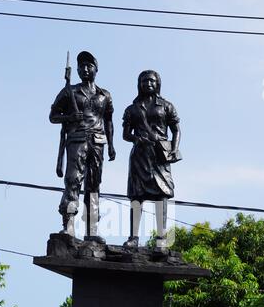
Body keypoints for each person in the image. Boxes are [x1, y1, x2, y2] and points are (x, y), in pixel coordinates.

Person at [49, 51, 116, 244]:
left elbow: (109, 122)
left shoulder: (105, 95)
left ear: (96, 69)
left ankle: (91, 229)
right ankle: (68, 225)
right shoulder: (69, 92)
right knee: (73, 181)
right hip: (77, 139)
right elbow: (52, 116)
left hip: (97, 142)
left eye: (89, 66)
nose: (85, 70)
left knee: (94, 185)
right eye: (81, 67)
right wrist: (69, 117)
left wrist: (111, 145)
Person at [122, 70, 181, 248]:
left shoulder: (166, 106)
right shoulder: (131, 109)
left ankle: (161, 238)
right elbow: (126, 134)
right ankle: (133, 237)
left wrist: (174, 149)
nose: (148, 83)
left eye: (152, 81)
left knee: (162, 195)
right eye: (144, 81)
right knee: (136, 196)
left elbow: (176, 129)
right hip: (139, 156)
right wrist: (137, 138)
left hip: (160, 156)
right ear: (139, 84)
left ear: (158, 84)